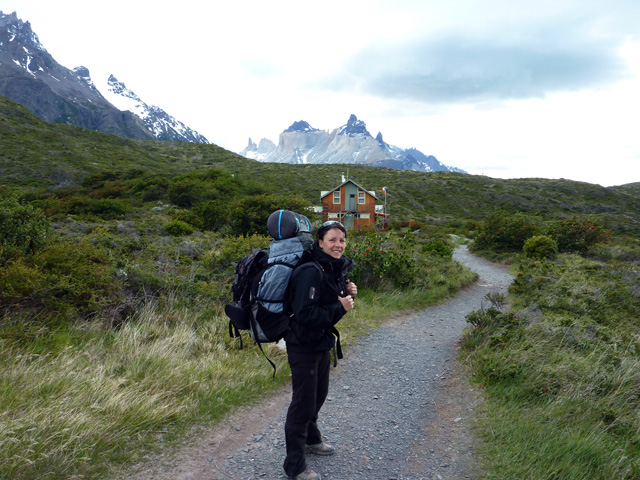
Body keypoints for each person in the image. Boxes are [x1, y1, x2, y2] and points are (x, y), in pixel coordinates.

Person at [282, 220, 358, 480]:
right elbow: (305, 314)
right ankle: (294, 467)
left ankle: (312, 441)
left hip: (320, 342)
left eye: (342, 240)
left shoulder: (330, 268)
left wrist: (347, 292)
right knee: (302, 404)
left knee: (318, 396)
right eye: (333, 240)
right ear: (320, 242)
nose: (339, 245)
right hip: (303, 345)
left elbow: (326, 301)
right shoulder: (310, 271)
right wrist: (341, 307)